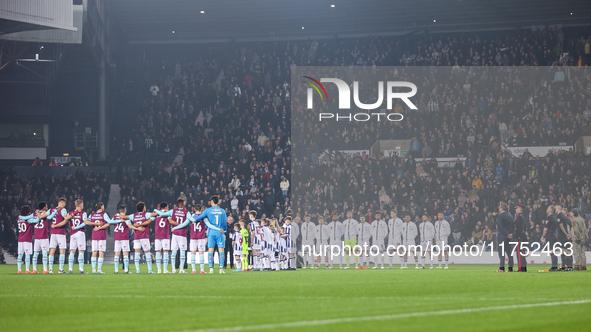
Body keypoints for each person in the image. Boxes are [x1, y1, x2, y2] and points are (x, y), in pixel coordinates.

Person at [192, 195, 228, 274]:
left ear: (212, 202)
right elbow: (225, 222)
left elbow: (198, 217)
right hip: (220, 233)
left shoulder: (208, 210)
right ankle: (221, 269)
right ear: (218, 202)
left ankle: (211, 269)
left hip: (211, 233)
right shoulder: (222, 211)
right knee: (221, 250)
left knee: (210, 250)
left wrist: (192, 216)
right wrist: (224, 230)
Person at [120, 202, 157, 274]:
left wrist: (119, 215)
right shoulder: (146, 214)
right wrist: (155, 211)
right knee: (147, 253)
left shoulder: (133, 215)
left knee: (136, 254)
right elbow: (155, 214)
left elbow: (124, 217)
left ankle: (137, 270)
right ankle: (149, 270)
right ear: (143, 208)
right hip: (144, 237)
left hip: (136, 237)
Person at [105, 205, 144, 274]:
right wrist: (138, 229)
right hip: (124, 238)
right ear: (125, 211)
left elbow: (109, 223)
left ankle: (116, 270)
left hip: (117, 238)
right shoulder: (125, 218)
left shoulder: (115, 217)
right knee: (125, 254)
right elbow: (130, 226)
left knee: (117, 254)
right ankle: (126, 270)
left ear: (119, 211)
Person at [174, 205, 208, 274]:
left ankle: (193, 270)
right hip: (201, 237)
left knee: (193, 253)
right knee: (201, 253)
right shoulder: (203, 217)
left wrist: (175, 228)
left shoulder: (191, 217)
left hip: (193, 237)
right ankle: (202, 270)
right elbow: (207, 225)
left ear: (194, 209)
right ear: (201, 209)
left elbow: (184, 224)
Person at [87, 203, 112, 274]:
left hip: (94, 235)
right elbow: (109, 223)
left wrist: (95, 224)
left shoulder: (92, 215)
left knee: (94, 252)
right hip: (101, 236)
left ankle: (93, 269)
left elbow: (87, 222)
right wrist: (100, 227)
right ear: (101, 207)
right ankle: (99, 270)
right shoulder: (104, 214)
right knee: (101, 252)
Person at [167, 199, 191, 274]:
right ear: (183, 204)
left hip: (174, 234)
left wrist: (176, 225)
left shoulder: (172, 211)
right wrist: (181, 225)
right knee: (182, 252)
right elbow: (189, 221)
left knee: (173, 252)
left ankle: (173, 269)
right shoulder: (186, 212)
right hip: (182, 235)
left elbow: (170, 221)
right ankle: (181, 269)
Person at [46, 198, 69, 273]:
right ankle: (60, 269)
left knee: (52, 250)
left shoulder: (51, 209)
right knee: (62, 250)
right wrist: (70, 216)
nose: (64, 205)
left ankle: (50, 269)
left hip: (53, 233)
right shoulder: (63, 210)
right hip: (60, 233)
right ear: (62, 203)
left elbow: (47, 217)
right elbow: (65, 218)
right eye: (64, 204)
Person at [67, 199, 89, 274]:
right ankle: (81, 269)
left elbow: (66, 220)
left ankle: (70, 269)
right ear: (80, 205)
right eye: (82, 205)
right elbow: (85, 223)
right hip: (80, 232)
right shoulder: (83, 213)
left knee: (72, 251)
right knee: (81, 251)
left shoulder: (71, 213)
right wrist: (77, 227)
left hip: (72, 234)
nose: (83, 206)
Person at [17, 205, 39, 274]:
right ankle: (27, 270)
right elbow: (37, 220)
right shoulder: (29, 220)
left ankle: (19, 270)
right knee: (27, 255)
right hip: (27, 239)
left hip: (20, 239)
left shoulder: (19, 219)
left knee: (20, 255)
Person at [32, 202, 51, 274]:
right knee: (44, 253)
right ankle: (45, 269)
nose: (47, 207)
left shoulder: (34, 214)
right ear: (43, 207)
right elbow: (42, 217)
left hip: (36, 236)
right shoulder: (45, 213)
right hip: (44, 236)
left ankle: (34, 269)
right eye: (46, 206)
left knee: (35, 253)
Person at [153, 202, 171, 274]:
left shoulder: (156, 214)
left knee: (158, 252)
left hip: (157, 235)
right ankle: (165, 269)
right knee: (165, 252)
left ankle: (159, 270)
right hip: (165, 235)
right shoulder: (168, 213)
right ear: (166, 207)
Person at [496, 202, 515, 272]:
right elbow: (513, 226)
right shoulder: (510, 216)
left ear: (501, 208)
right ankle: (510, 268)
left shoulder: (500, 216)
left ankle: (502, 268)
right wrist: (511, 234)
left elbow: (500, 227)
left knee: (501, 253)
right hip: (509, 237)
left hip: (502, 237)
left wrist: (506, 234)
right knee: (510, 253)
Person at [555, 205, 572, 271]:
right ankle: (569, 267)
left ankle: (563, 267)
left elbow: (561, 226)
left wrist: (566, 234)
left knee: (562, 251)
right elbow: (569, 227)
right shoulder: (567, 218)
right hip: (567, 237)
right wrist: (570, 235)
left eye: (556, 208)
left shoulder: (559, 216)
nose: (555, 209)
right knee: (568, 251)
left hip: (562, 236)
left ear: (558, 208)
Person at [542, 206, 559, 271]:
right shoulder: (555, 218)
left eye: (548, 208)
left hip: (550, 235)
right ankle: (555, 266)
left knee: (551, 251)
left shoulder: (549, 218)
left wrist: (543, 236)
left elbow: (545, 229)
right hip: (554, 235)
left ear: (551, 210)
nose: (547, 209)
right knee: (553, 251)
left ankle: (554, 267)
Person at [513, 204, 528, 272]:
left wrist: (516, 237)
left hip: (520, 237)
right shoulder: (522, 217)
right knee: (522, 252)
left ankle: (520, 268)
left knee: (519, 253)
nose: (516, 209)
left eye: (517, 208)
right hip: (522, 236)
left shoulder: (519, 217)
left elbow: (518, 228)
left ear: (520, 209)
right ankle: (523, 267)